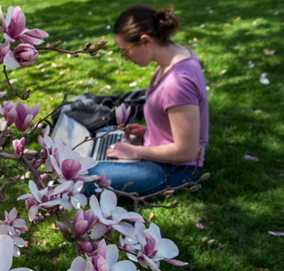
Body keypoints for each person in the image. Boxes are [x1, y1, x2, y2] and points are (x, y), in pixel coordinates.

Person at [86, 5, 209, 196]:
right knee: (101, 134)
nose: (125, 57)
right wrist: (149, 133)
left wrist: (136, 152)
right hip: (158, 154)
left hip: (175, 170)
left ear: (145, 40)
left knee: (87, 176)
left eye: (124, 50)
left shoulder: (177, 83)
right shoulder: (173, 59)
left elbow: (187, 151)